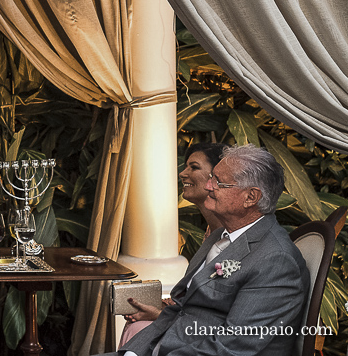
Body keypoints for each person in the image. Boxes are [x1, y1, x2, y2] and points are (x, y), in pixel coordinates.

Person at [111, 145, 309, 356]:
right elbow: (181, 308)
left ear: (251, 197)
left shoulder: (276, 260)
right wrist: (132, 352)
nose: (208, 186)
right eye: (211, 177)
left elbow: (233, 346)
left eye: (218, 182)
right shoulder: (219, 235)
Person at [121, 142, 227, 333]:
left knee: (139, 328)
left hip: (209, 330)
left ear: (218, 176)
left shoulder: (231, 234)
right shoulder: (211, 231)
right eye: (186, 166)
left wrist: (163, 313)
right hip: (193, 317)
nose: (183, 173)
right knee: (136, 324)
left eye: (193, 167)